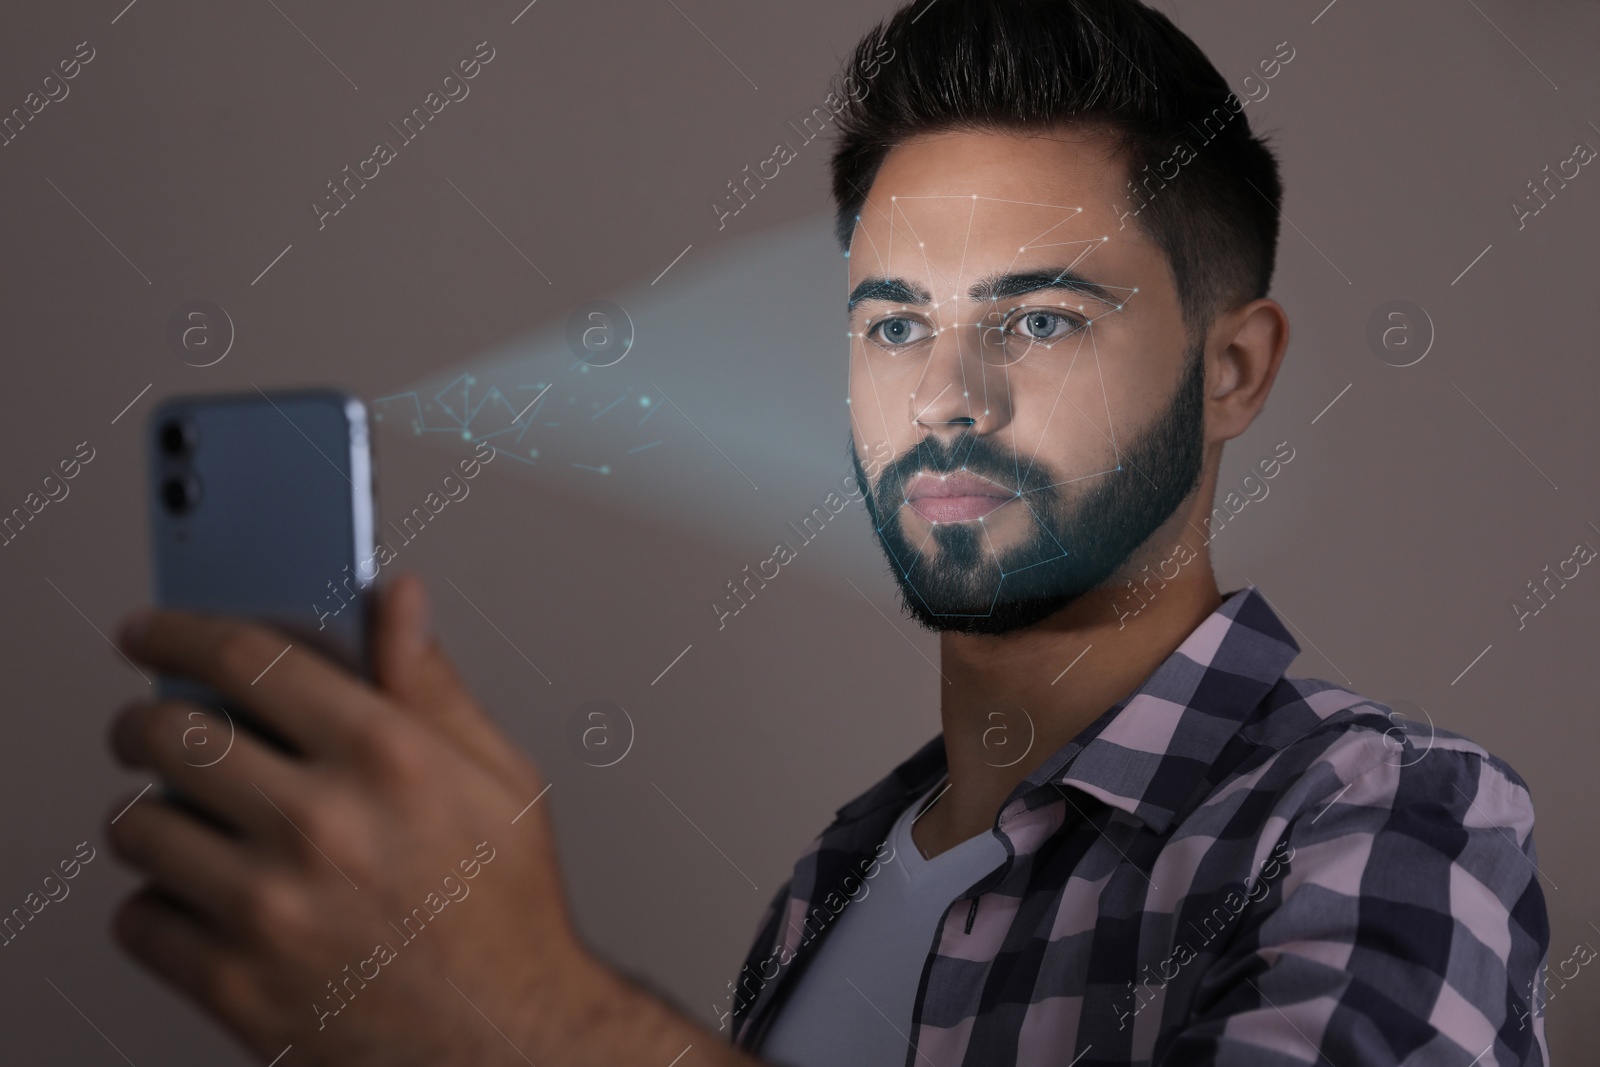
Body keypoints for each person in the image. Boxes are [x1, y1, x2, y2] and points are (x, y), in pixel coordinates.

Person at [105, 1, 1549, 1064]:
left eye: (1040, 319)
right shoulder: (834, 882)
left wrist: (533, 1019)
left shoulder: (1387, 819)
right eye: (896, 323)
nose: (947, 398)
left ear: (1232, 370)